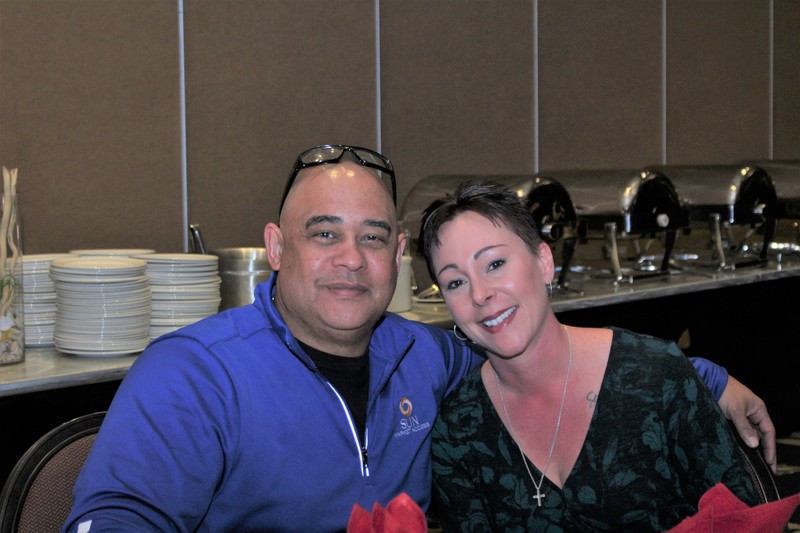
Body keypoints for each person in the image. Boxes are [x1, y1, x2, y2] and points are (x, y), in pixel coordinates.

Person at [62, 145, 775, 532]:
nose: (351, 259)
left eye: (373, 237)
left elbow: (537, 357)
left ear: (398, 256)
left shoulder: (423, 354)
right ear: (276, 247)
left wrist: (701, 376)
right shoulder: (193, 375)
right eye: (324, 235)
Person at [418, 181, 767, 531]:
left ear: (543, 262)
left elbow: (744, 522)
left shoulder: (656, 376)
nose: (479, 294)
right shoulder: (457, 429)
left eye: (495, 264)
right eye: (455, 282)